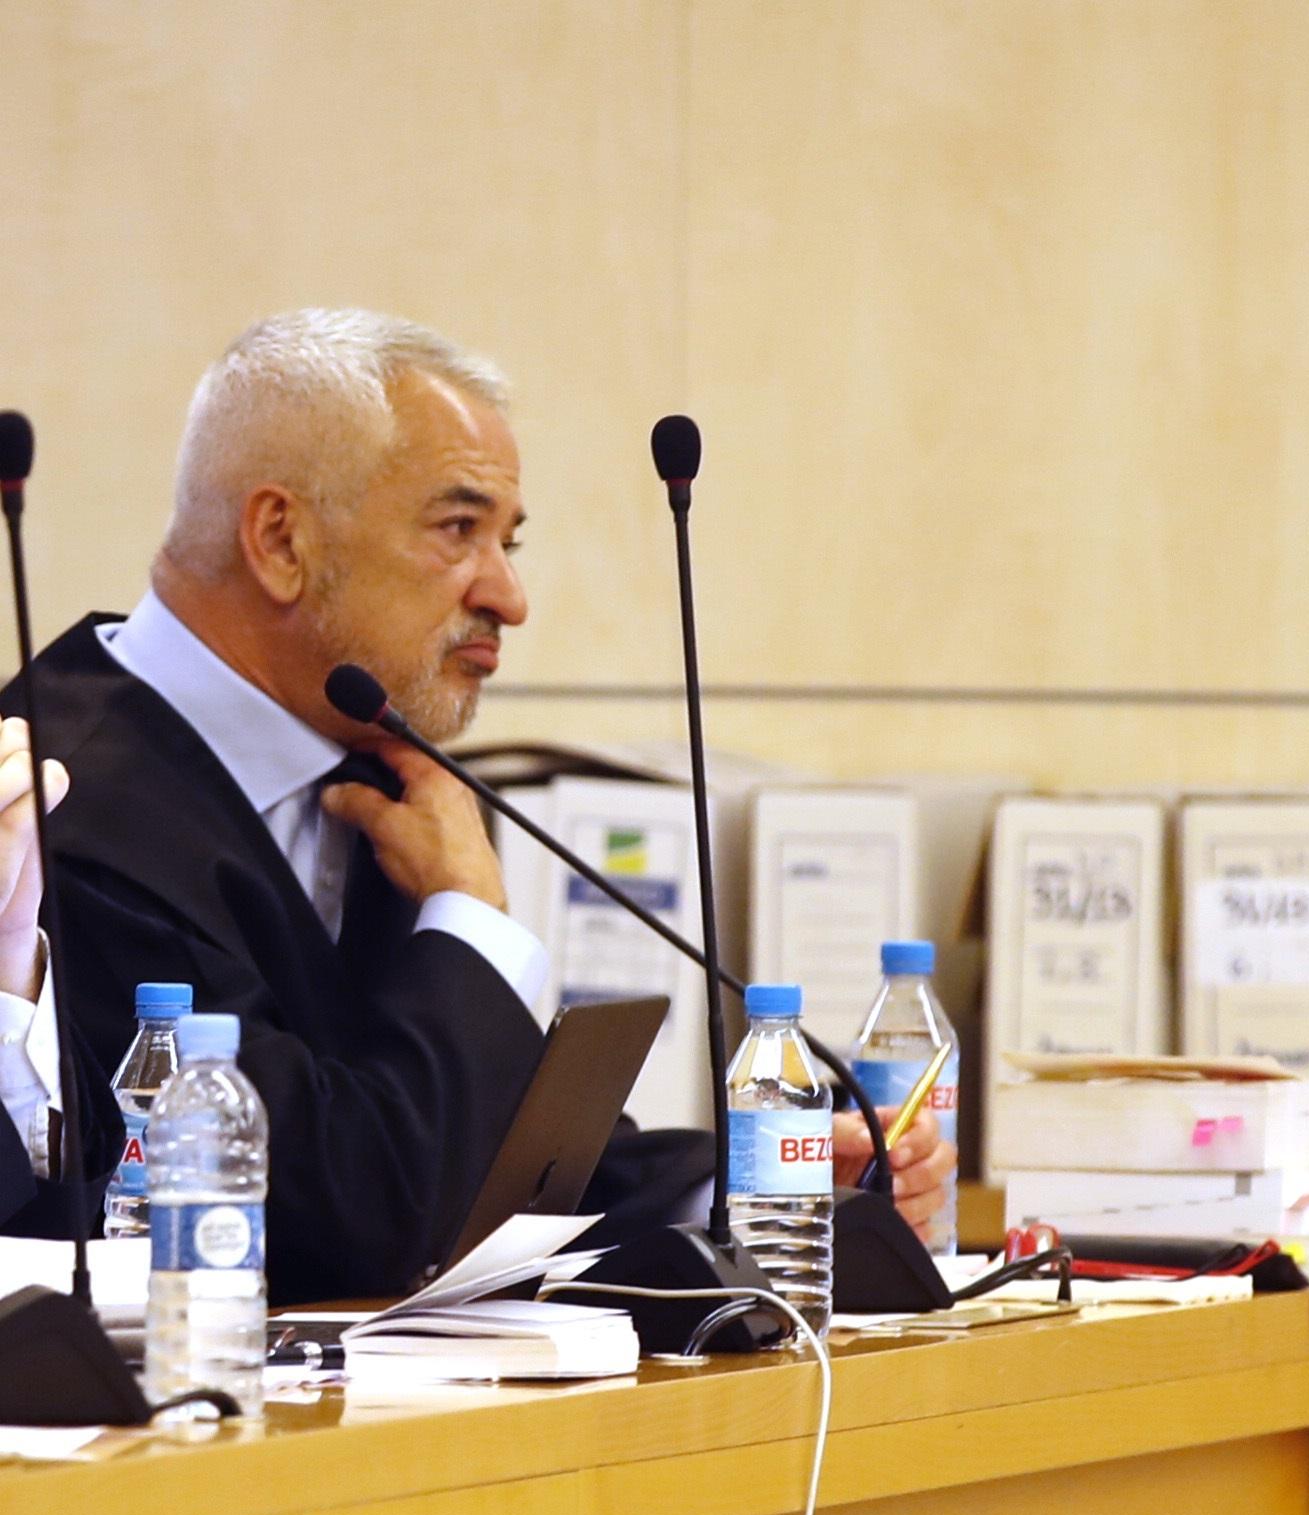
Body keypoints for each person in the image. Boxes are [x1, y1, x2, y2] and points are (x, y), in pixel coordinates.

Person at [0, 309, 955, 1301]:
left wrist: (755, 1189)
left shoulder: (378, 770)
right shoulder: (61, 808)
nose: (509, 595)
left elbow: (491, 1157)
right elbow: (342, 1211)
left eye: (510, 540)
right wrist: (468, 918)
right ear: (280, 538)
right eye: (458, 529)